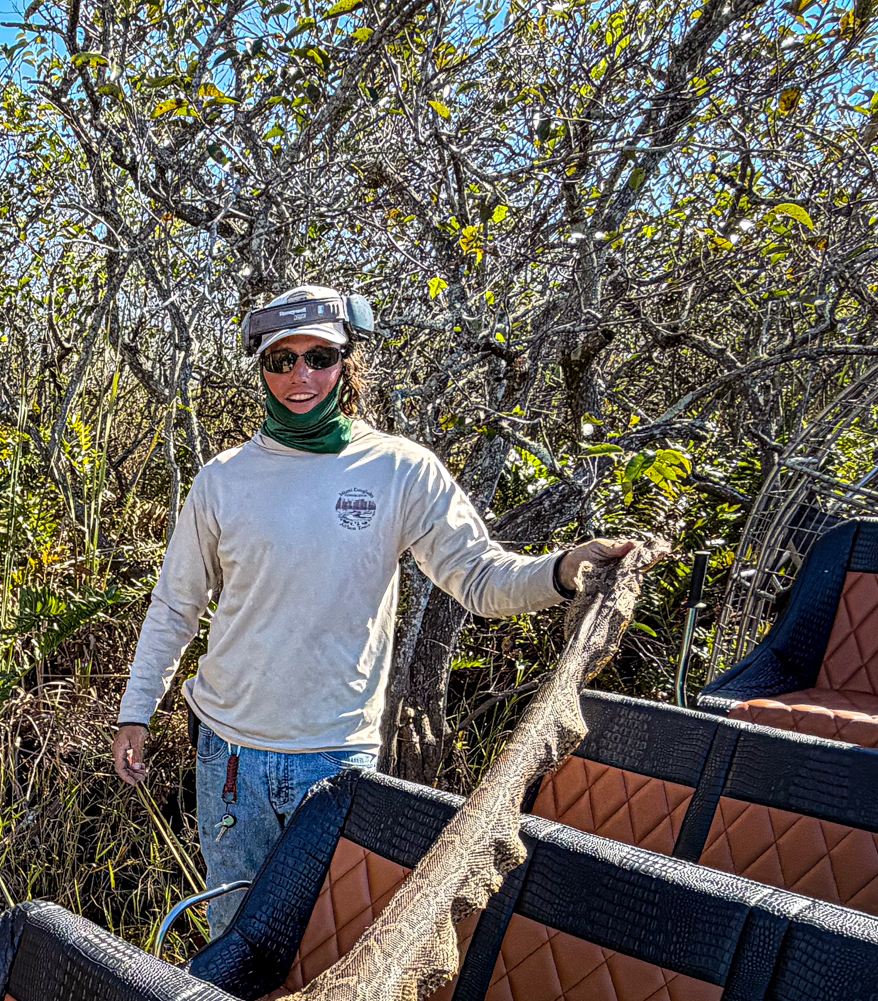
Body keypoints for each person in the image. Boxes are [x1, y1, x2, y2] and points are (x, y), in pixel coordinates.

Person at [112, 283, 635, 936]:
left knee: (328, 942)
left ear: (347, 363)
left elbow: (479, 577)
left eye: (320, 357)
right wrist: (136, 712)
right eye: (282, 360)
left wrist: (560, 571)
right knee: (234, 943)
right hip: (230, 759)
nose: (301, 376)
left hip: (335, 760)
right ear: (262, 368)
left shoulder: (399, 470)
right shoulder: (223, 479)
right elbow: (175, 606)